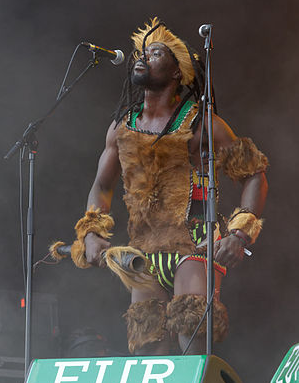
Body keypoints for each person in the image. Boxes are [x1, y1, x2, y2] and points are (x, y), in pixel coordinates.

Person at [71, 18, 268, 356]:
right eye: (141, 52)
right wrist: (91, 231)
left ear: (178, 72)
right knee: (148, 351)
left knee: (191, 338)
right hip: (144, 256)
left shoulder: (201, 123)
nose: (143, 57)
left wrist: (239, 234)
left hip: (194, 246)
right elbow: (101, 186)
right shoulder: (121, 127)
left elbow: (254, 174)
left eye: (156, 52)